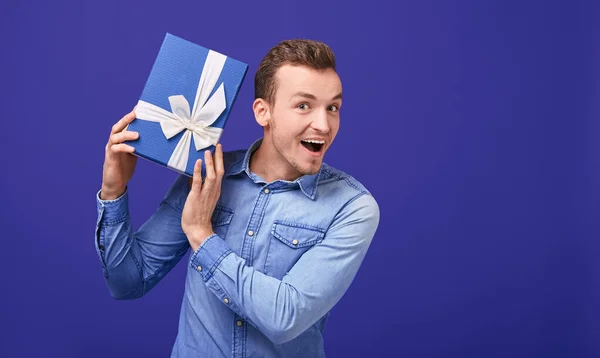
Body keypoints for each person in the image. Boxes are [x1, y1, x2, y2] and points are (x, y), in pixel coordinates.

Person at [95, 39, 380, 357]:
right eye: (304, 105)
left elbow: (283, 317)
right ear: (263, 112)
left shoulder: (352, 207)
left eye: (333, 107)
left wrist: (202, 236)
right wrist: (114, 191)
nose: (324, 125)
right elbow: (127, 282)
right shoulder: (206, 176)